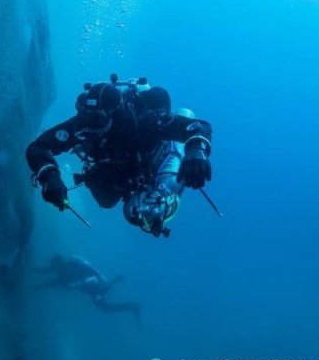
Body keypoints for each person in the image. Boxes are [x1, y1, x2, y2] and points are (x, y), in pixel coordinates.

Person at [26, 75, 213, 237]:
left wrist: (196, 152)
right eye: (85, 119)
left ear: (114, 114)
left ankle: (171, 169)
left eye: (97, 121)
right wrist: (49, 176)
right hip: (115, 170)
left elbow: (199, 127)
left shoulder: (145, 122)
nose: (89, 129)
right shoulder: (81, 125)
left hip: (150, 163)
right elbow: (38, 147)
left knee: (141, 213)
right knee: (106, 201)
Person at [33, 254, 141, 324]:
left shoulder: (65, 271)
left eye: (54, 266)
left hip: (93, 287)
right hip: (93, 284)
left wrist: (36, 287)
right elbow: (49, 274)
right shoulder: (66, 265)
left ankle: (132, 306)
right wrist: (35, 274)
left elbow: (53, 282)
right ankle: (116, 281)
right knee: (103, 293)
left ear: (58, 264)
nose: (53, 268)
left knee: (105, 308)